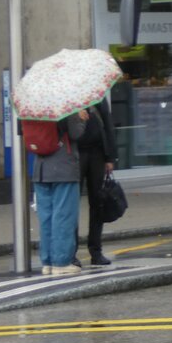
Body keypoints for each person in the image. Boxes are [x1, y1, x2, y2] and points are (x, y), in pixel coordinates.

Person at [31, 115, 83, 277]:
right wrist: (81, 119)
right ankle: (61, 262)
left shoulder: (33, 106)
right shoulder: (66, 105)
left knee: (46, 218)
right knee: (63, 216)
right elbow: (76, 134)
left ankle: (47, 262)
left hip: (40, 169)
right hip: (63, 168)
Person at [75, 99, 118, 266]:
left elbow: (108, 123)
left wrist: (110, 157)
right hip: (76, 153)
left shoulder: (97, 94)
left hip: (97, 153)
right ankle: (71, 252)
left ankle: (96, 250)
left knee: (97, 203)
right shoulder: (70, 93)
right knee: (72, 205)